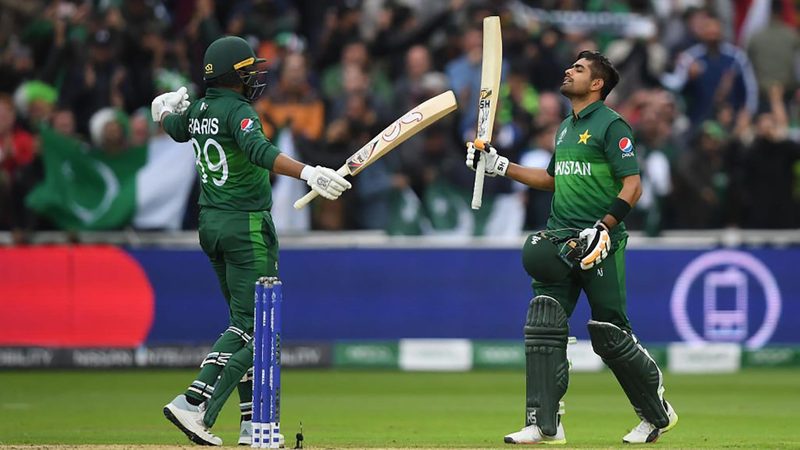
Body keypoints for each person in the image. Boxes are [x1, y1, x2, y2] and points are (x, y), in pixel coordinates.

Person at [465, 50, 678, 445]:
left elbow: (633, 186)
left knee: (610, 334)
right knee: (543, 322)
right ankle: (543, 422)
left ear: (597, 84)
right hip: (561, 238)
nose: (568, 70)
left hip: (600, 243)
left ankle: (656, 413)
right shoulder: (565, 127)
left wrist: (604, 227)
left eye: (578, 69)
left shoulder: (612, 125)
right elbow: (553, 179)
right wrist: (500, 166)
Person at [153, 35, 351, 446]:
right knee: (256, 327)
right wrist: (309, 172)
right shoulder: (239, 111)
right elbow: (259, 150)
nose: (254, 77)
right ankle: (194, 402)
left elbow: (172, 127)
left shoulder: (199, 110)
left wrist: (163, 109)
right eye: (247, 70)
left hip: (211, 224)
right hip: (244, 226)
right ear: (233, 75)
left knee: (242, 325)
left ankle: (251, 425)